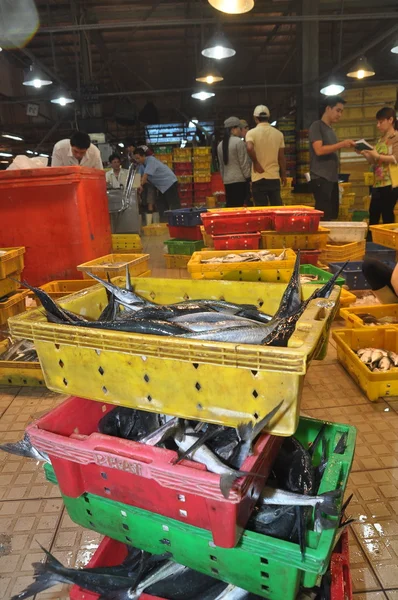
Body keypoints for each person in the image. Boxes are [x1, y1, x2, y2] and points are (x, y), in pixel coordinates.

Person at [309, 96, 355, 220]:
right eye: (338, 110)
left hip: (332, 178)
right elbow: (319, 150)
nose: (340, 114)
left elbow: (332, 148)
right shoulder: (316, 126)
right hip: (321, 177)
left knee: (332, 214)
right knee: (324, 216)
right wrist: (342, 144)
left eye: (342, 111)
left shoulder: (331, 130)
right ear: (328, 108)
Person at [360, 107, 398, 227]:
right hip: (378, 183)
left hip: (390, 182)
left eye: (381, 122)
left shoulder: (396, 138)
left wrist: (377, 155)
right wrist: (366, 154)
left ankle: (388, 243)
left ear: (390, 120)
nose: (378, 125)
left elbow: (395, 158)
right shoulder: (380, 140)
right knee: (373, 213)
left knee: (387, 213)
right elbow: (374, 161)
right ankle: (371, 243)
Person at [246, 105, 286, 206]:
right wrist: (284, 175)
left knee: (261, 211)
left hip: (258, 178)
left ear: (255, 118)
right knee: (277, 210)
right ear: (268, 117)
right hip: (274, 177)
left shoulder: (251, 133)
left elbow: (249, 148)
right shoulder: (279, 134)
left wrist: (256, 163)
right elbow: (281, 157)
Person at [133, 147, 180, 220]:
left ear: (144, 156)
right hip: (162, 187)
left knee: (173, 204)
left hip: (169, 182)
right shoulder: (142, 165)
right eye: (135, 159)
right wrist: (139, 185)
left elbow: (145, 176)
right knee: (162, 205)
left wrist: (140, 185)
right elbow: (139, 176)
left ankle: (178, 222)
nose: (137, 160)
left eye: (138, 158)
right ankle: (165, 222)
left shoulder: (150, 160)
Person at [217, 116, 251, 208]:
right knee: (239, 206)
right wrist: (249, 178)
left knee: (231, 207)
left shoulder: (220, 144)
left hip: (227, 181)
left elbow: (221, 166)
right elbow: (243, 163)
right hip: (239, 181)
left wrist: (224, 179)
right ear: (233, 129)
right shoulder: (238, 142)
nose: (240, 131)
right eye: (239, 128)